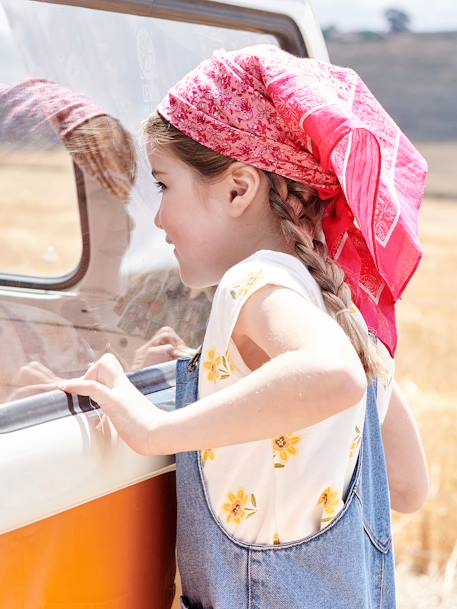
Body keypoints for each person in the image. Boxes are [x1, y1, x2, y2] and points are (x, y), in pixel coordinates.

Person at [57, 44, 430, 609]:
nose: (157, 218)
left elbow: (332, 376)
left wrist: (153, 427)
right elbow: (405, 486)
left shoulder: (251, 282)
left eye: (163, 185)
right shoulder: (339, 311)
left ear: (238, 188)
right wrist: (216, 374)